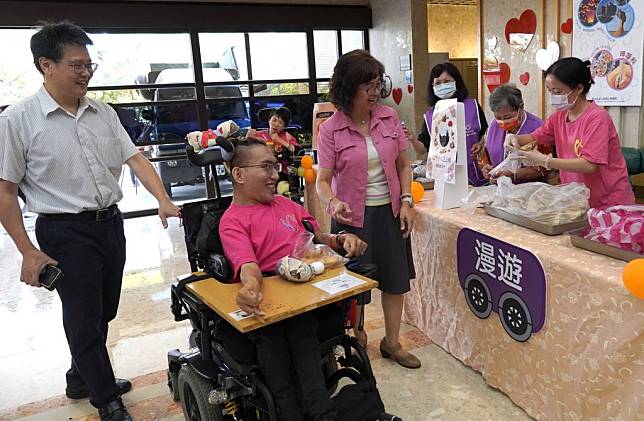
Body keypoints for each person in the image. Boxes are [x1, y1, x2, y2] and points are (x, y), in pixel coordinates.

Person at [0, 22, 180, 421]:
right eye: (76, 65)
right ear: (46, 65)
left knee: (103, 311)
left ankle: (80, 376)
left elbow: (134, 157)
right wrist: (28, 251)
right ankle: (106, 400)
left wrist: (163, 199)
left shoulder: (103, 112)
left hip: (110, 225)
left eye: (89, 65)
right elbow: (5, 191)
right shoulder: (17, 120)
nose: (86, 73)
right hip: (63, 231)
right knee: (82, 317)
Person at [219, 138, 368, 421]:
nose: (276, 174)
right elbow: (248, 266)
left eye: (275, 166)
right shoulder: (233, 221)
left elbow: (317, 237)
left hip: (306, 295)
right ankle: (305, 413)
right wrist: (250, 288)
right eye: (266, 167)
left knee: (302, 329)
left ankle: (320, 412)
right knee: (278, 342)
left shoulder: (287, 205)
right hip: (272, 300)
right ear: (238, 174)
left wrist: (340, 239)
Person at [316, 50, 421, 369]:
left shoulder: (388, 118)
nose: (376, 92)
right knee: (352, 287)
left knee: (395, 279)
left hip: (390, 214)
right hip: (352, 220)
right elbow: (323, 180)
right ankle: (355, 340)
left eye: (379, 84)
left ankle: (392, 342)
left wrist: (406, 201)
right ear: (349, 88)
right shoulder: (330, 129)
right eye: (369, 86)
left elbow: (405, 164)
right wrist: (333, 202)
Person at [506, 57, 635, 209]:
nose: (553, 96)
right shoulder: (559, 116)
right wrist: (514, 138)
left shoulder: (597, 118)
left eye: (558, 91)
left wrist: (546, 161)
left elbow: (589, 165)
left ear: (579, 88)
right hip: (577, 199)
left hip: (609, 202)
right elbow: (535, 137)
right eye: (550, 91)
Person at [406, 62, 489, 186]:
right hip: (447, 179)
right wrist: (412, 139)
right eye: (438, 83)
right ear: (432, 86)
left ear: (456, 82)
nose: (442, 85)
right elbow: (422, 148)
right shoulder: (431, 115)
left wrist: (480, 144)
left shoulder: (473, 107)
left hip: (477, 174)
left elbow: (486, 134)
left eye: (447, 81)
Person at [477, 84, 546, 184]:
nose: (503, 122)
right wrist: (486, 167)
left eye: (507, 117)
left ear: (521, 107)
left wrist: (512, 174)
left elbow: (543, 170)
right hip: (500, 189)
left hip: (530, 190)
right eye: (498, 117)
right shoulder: (493, 126)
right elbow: (485, 153)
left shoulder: (538, 128)